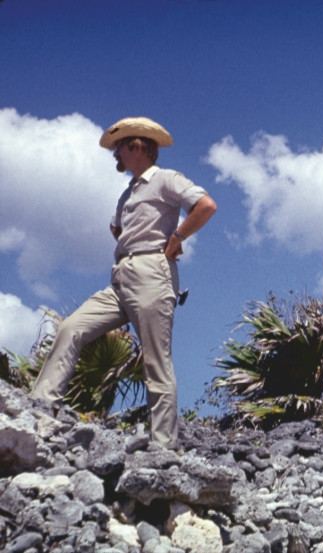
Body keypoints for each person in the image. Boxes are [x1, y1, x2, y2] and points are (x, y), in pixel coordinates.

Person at [30, 117, 217, 449]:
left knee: (155, 361)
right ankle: (41, 409)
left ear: (136, 146)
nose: (115, 153)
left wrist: (177, 236)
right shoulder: (127, 193)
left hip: (151, 274)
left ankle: (162, 447)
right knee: (71, 328)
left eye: (119, 147)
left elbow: (205, 205)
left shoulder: (165, 179)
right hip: (121, 275)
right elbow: (117, 229)